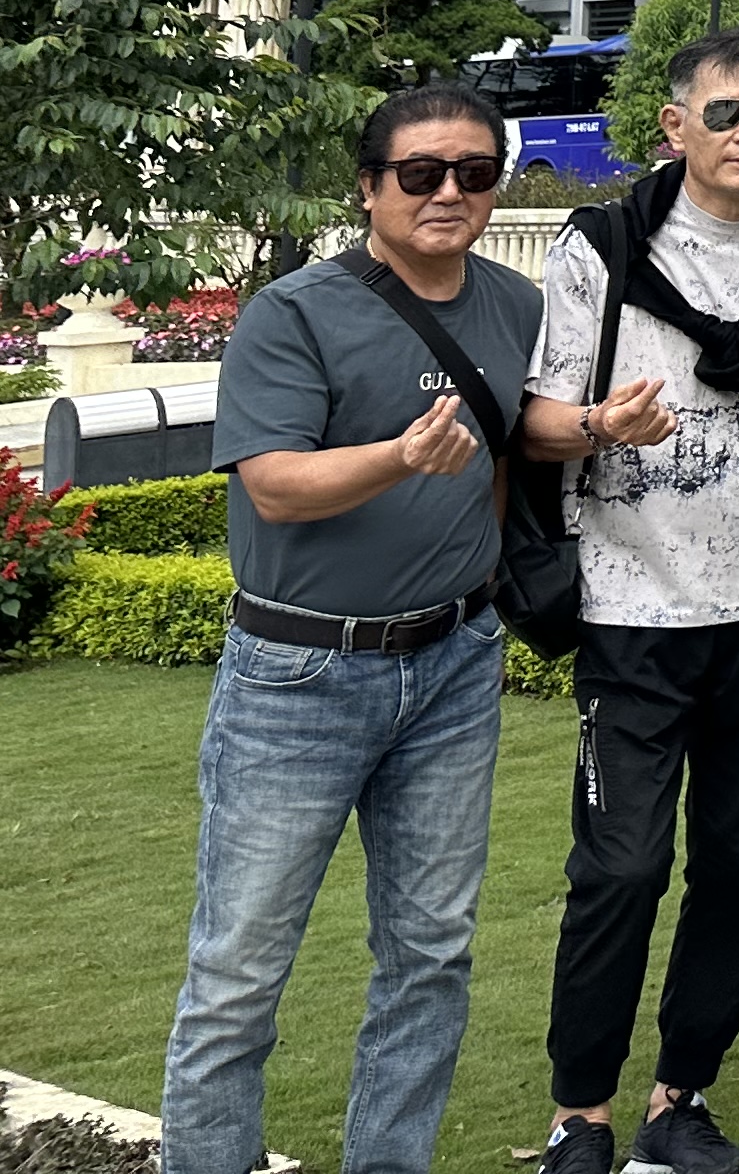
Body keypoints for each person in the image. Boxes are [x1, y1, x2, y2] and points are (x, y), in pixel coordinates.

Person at [162, 85, 542, 1174]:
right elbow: (275, 486)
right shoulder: (294, 312)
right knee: (239, 972)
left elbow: (509, 448)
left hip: (454, 666)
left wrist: (597, 430)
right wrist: (400, 458)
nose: (448, 193)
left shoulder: (515, 304)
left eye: (475, 173)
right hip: (300, 673)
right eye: (420, 174)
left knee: (430, 955)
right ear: (369, 188)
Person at [520, 28, 739, 1174]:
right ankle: (580, 1114)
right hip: (634, 608)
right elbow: (534, 419)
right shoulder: (604, 245)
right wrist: (600, 424)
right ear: (675, 127)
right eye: (727, 112)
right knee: (619, 868)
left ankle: (680, 1100)